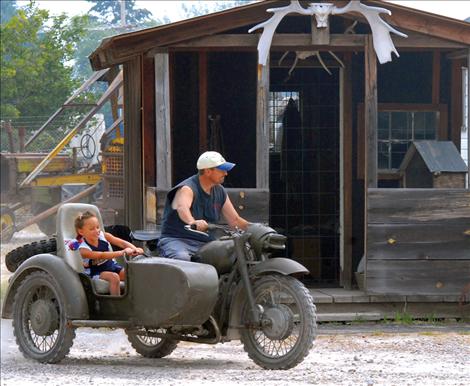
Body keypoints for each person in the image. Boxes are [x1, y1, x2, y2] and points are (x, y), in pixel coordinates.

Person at [158, 151, 249, 261]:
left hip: (205, 243)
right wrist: (192, 222)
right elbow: (182, 208)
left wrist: (258, 230)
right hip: (178, 240)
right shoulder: (187, 188)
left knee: (235, 256)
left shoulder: (220, 191)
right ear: (208, 171)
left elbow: (235, 221)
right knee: (182, 259)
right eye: (222, 169)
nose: (226, 173)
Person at [74, 211, 144, 295]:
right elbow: (101, 255)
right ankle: (116, 304)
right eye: (92, 229)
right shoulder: (83, 248)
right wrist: (122, 252)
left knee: (131, 275)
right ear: (81, 232)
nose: (97, 231)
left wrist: (135, 249)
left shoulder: (103, 236)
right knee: (114, 277)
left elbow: (122, 243)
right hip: (96, 272)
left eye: (97, 227)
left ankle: (133, 301)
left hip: (111, 266)